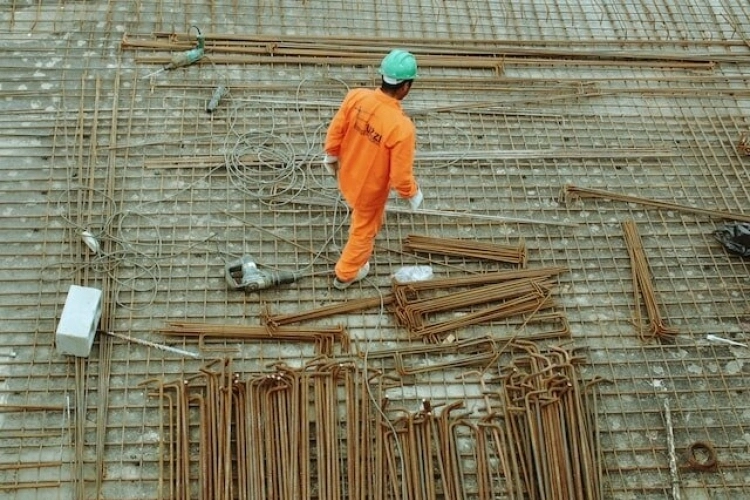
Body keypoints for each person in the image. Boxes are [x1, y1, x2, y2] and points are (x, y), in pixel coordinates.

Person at [323, 49, 424, 290]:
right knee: (364, 230)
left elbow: (336, 129)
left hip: (346, 173)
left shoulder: (356, 97)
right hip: (368, 191)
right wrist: (412, 193)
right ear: (405, 88)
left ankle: (350, 262)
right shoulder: (402, 128)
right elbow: (400, 177)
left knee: (366, 218)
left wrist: (331, 154)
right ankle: (345, 274)